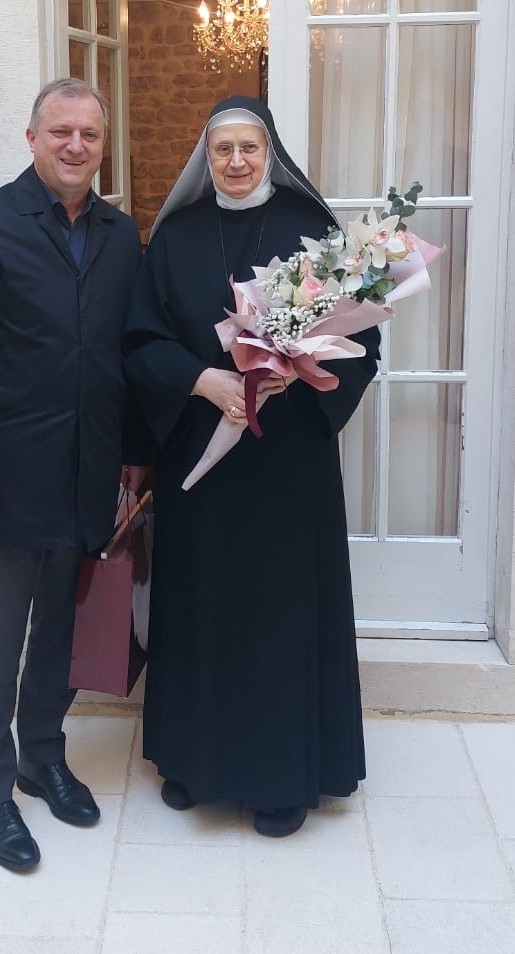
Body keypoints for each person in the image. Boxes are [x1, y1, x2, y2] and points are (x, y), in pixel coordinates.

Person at [122, 95, 380, 838]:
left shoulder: (313, 231)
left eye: (249, 148)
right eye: (222, 149)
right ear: (206, 159)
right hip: (200, 461)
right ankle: (192, 763)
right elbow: (140, 340)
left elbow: (360, 340)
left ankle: (281, 778)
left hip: (287, 462)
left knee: (279, 610)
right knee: (199, 604)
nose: (236, 161)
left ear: (270, 154)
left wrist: (297, 374)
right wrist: (202, 380)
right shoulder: (175, 236)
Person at [0, 78, 147, 872]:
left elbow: (124, 355)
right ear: (31, 139)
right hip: (2, 481)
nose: (75, 146)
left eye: (89, 134)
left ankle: (41, 757)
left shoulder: (120, 235)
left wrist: (131, 455)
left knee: (59, 633)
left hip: (86, 476)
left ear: (102, 145)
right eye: (61, 131)